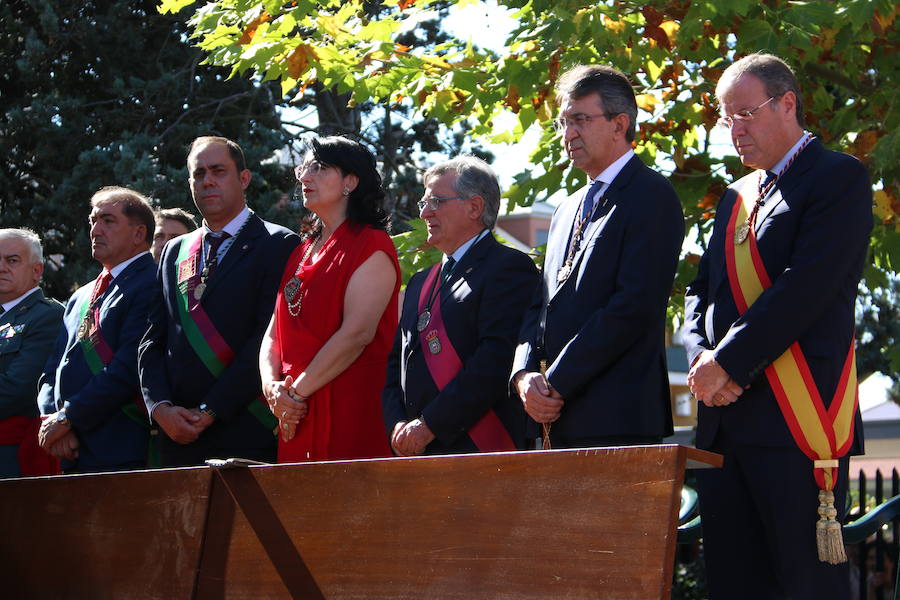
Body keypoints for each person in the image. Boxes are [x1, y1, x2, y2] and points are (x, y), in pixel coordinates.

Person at [682, 53, 872, 599]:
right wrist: (701, 359)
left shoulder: (839, 176)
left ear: (788, 103)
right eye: (726, 118)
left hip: (796, 419)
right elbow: (701, 290)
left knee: (805, 586)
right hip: (725, 421)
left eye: (747, 112)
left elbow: (808, 286)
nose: (735, 129)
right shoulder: (735, 197)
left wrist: (728, 361)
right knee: (735, 585)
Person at [511, 65, 684, 448]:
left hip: (617, 418)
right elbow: (538, 306)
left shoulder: (652, 195)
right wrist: (523, 374)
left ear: (619, 124)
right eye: (563, 122)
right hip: (554, 419)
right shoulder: (565, 208)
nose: (568, 134)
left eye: (580, 120)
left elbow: (632, 307)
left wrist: (556, 380)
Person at [139, 136, 299, 466]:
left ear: (244, 178)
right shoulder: (174, 250)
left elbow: (268, 338)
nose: (207, 180)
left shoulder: (278, 243)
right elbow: (152, 340)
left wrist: (211, 409)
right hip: (176, 433)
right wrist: (160, 408)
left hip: (244, 426)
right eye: (199, 173)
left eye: (218, 171)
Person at [383, 156, 539, 456]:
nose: (426, 212)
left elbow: (495, 361)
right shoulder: (418, 282)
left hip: (477, 448)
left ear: (475, 207)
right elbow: (395, 365)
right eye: (424, 203)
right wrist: (397, 424)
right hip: (412, 447)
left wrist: (429, 426)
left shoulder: (508, 268)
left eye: (437, 201)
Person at [260, 136, 399, 462]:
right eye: (305, 167)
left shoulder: (372, 245)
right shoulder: (299, 251)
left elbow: (357, 335)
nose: (305, 176)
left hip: (348, 411)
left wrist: (293, 395)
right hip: (296, 413)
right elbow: (273, 332)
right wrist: (272, 389)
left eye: (320, 167)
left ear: (350, 181)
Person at [37, 187, 158, 473]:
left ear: (139, 233)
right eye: (93, 221)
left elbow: (128, 368)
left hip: (118, 447)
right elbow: (53, 368)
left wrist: (68, 418)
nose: (95, 230)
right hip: (70, 446)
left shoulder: (151, 283)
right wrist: (52, 421)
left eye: (108, 220)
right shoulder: (81, 295)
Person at [0, 228, 63, 477]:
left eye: (12, 260)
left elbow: (18, 390)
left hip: (10, 452)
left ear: (37, 271)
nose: (2, 267)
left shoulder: (47, 315)